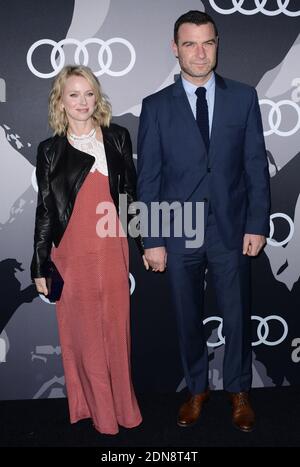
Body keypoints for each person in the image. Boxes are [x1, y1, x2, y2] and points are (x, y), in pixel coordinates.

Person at [137, 11, 270, 432]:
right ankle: (197, 389)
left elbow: (254, 166)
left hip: (231, 230)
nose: (199, 52)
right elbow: (150, 177)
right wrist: (151, 239)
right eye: (190, 43)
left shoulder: (243, 97)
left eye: (207, 42)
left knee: (236, 315)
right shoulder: (155, 106)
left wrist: (257, 224)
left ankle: (239, 391)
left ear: (217, 45)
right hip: (178, 231)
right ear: (175, 49)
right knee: (186, 316)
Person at [31, 65, 147, 435]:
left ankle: (125, 409)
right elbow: (46, 209)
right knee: (83, 335)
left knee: (116, 329)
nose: (82, 102)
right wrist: (40, 263)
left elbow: (130, 195)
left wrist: (143, 243)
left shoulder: (117, 138)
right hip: (72, 253)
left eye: (89, 94)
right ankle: (98, 412)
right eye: (73, 95)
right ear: (60, 102)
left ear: (97, 98)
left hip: (112, 247)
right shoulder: (50, 150)